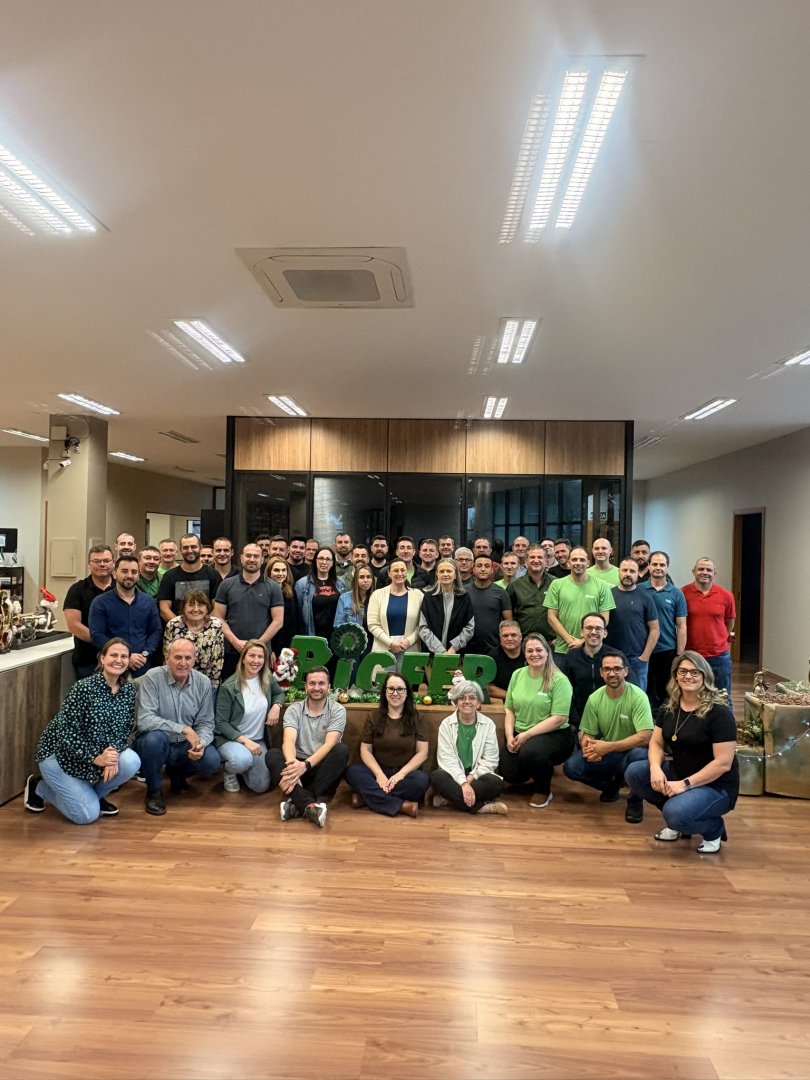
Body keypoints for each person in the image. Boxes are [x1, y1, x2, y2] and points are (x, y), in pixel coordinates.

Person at [624, 651, 739, 853]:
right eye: (683, 671)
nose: (688, 676)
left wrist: (684, 785)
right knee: (635, 773)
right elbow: (656, 742)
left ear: (704, 676)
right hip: (680, 773)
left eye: (695, 672)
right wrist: (655, 768)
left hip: (715, 786)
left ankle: (713, 829)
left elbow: (723, 763)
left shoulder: (719, 713)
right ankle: (679, 820)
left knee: (675, 813)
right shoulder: (670, 707)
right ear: (675, 675)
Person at [23, 637, 141, 823]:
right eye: (113, 655)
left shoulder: (128, 691)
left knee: (131, 761)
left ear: (128, 661)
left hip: (97, 754)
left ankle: (92, 797)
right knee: (86, 816)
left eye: (124, 656)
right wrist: (96, 758)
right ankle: (39, 787)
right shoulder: (83, 688)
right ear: (102, 658)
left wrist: (112, 755)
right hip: (61, 756)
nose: (118, 660)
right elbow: (65, 732)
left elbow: (124, 729)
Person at [563, 647, 653, 823]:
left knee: (639, 758)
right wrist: (588, 747)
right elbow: (588, 732)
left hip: (632, 751)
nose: (612, 673)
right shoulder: (595, 698)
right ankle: (612, 785)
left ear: (625, 671)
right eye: (607, 669)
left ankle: (635, 801)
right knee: (572, 767)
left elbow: (645, 736)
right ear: (601, 673)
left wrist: (608, 747)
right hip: (607, 751)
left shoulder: (638, 697)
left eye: (617, 669)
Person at [135, 638, 220, 816]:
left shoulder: (203, 682)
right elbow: (145, 720)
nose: (183, 663)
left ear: (194, 660)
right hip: (158, 741)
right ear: (167, 658)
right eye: (178, 657)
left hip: (183, 745)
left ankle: (177, 771)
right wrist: (183, 728)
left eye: (188, 658)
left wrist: (200, 744)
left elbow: (206, 722)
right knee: (153, 740)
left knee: (211, 760)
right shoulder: (153, 677)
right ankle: (154, 790)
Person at [266, 666, 350, 827]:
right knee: (272, 755)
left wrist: (305, 765)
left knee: (341, 750)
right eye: (312, 683)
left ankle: (297, 801)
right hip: (297, 771)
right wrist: (293, 768)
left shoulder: (338, 710)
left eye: (321, 683)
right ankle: (309, 805)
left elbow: (330, 744)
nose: (316, 688)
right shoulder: (294, 709)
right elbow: (289, 741)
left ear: (329, 687)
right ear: (305, 687)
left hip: (322, 771)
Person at [499, 633, 574, 809]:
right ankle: (538, 770)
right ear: (524, 654)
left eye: (539, 650)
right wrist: (510, 737)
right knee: (509, 773)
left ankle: (543, 789)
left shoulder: (559, 680)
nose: (534, 654)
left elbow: (559, 718)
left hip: (555, 734)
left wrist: (526, 735)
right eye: (530, 651)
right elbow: (509, 709)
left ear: (547, 652)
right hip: (521, 732)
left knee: (531, 752)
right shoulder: (518, 674)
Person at [345, 672, 430, 817]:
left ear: (407, 693)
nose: (395, 693)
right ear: (385, 692)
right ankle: (402, 806)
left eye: (400, 689)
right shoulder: (374, 716)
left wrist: (400, 775)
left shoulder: (418, 718)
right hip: (377, 772)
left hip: (405, 775)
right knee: (352, 772)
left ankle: (366, 798)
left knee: (421, 781)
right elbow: (365, 750)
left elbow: (422, 753)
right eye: (391, 689)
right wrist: (379, 775)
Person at [214, 640, 284, 793]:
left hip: (257, 740)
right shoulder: (228, 687)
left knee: (260, 786)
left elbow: (279, 693)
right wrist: (246, 742)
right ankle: (230, 771)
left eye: (260, 657)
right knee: (241, 760)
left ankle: (244, 766)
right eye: (252, 655)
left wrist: (276, 706)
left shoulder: (266, 678)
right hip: (231, 739)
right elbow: (221, 723)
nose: (256, 661)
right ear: (243, 658)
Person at [430, 679, 506, 815]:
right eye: (462, 698)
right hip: (453, 775)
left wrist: (469, 780)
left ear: (478, 703)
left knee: (496, 784)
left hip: (477, 776)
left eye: (472, 698)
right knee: (436, 777)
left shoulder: (488, 725)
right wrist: (462, 783)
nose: (467, 701)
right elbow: (447, 760)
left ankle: (450, 799)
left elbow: (490, 760)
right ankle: (481, 807)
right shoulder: (446, 725)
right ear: (456, 702)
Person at [213, 542, 284, 680]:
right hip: (232, 651)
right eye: (248, 555)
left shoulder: (273, 587)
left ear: (262, 559)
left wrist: (256, 646)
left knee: (261, 690)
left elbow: (278, 621)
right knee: (231, 690)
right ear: (241, 558)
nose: (252, 559)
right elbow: (218, 618)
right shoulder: (226, 585)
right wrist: (235, 642)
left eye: (256, 556)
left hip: (261, 654)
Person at [88, 555, 162, 677]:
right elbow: (97, 635)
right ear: (114, 574)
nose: (129, 575)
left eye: (134, 572)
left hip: (142, 666)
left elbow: (155, 631)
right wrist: (126, 656)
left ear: (138, 576)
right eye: (124, 571)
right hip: (112, 667)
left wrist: (145, 653)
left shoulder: (148, 602)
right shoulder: (100, 602)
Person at [681, 557, 736, 704]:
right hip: (691, 655)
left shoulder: (726, 595)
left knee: (722, 696)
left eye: (708, 570)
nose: (704, 572)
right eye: (701, 569)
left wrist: (720, 639)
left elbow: (730, 622)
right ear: (693, 571)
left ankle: (724, 720)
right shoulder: (682, 593)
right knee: (691, 696)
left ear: (714, 573)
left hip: (719, 656)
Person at [544, 547, 615, 654]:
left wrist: (583, 642)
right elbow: (551, 617)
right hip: (563, 649)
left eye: (582, 560)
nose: (578, 563)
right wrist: (570, 641)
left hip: (592, 649)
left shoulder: (602, 585)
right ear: (569, 563)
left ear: (588, 563)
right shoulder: (556, 584)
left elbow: (604, 619)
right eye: (574, 559)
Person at [640, 550, 687, 710]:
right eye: (654, 564)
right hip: (642, 649)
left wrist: (679, 654)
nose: (658, 567)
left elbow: (681, 626)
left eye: (662, 564)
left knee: (665, 693)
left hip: (667, 650)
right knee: (644, 692)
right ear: (648, 566)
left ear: (667, 567)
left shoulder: (676, 593)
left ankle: (663, 722)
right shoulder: (639, 590)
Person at [605, 559, 659, 690]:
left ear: (637, 574)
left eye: (632, 571)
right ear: (619, 572)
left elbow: (655, 629)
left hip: (637, 659)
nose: (628, 574)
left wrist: (645, 657)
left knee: (638, 696)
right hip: (611, 657)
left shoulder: (646, 597)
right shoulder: (608, 595)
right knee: (612, 694)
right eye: (624, 570)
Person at [63, 545, 114, 679]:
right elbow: (74, 626)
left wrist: (117, 650)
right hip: (87, 660)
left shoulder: (122, 588)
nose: (102, 564)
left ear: (113, 563)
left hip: (119, 659)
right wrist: (108, 645)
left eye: (106, 560)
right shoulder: (77, 590)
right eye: (97, 561)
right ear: (89, 564)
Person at [367, 558, 424, 671]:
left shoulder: (418, 595)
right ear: (389, 573)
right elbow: (373, 624)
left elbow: (422, 625)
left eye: (403, 570)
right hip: (384, 649)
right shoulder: (377, 595)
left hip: (409, 648)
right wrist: (391, 643)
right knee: (384, 682)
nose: (400, 573)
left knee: (407, 681)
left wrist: (409, 641)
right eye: (396, 570)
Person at [163, 589, 225, 688]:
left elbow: (218, 660)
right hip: (178, 680)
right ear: (184, 608)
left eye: (200, 605)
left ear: (207, 608)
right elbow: (167, 656)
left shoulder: (216, 625)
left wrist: (209, 685)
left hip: (207, 682)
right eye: (191, 605)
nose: (196, 609)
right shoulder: (173, 625)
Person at [558, 613, 608, 728]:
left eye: (598, 628)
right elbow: (565, 692)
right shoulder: (571, 657)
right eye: (589, 628)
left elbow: (630, 688)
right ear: (581, 632)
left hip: (610, 720)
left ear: (605, 633)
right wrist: (575, 722)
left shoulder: (615, 657)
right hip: (580, 721)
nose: (593, 632)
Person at [157, 533, 220, 622]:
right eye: (185, 547)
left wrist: (204, 626)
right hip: (178, 628)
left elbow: (217, 607)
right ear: (180, 550)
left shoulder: (213, 574)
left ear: (200, 548)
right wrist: (182, 627)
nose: (190, 550)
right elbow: (164, 609)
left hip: (207, 627)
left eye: (193, 547)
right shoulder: (169, 576)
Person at [419, 559, 474, 657]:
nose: (445, 574)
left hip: (456, 653)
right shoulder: (428, 597)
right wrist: (439, 650)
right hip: (432, 653)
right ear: (437, 574)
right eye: (441, 571)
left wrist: (454, 647)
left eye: (449, 571)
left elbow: (469, 627)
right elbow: (423, 627)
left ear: (455, 574)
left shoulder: (464, 597)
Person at [295, 546, 347, 637]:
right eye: (321, 558)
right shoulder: (302, 584)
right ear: (315, 561)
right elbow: (297, 614)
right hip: (312, 634)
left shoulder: (340, 583)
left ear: (332, 563)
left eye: (328, 559)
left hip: (336, 635)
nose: (324, 562)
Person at [465, 554, 512, 654]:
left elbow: (508, 623)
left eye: (486, 566)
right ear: (473, 569)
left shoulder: (501, 593)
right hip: (466, 647)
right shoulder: (464, 592)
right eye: (479, 566)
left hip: (494, 648)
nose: (483, 569)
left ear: (492, 570)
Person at [507, 543, 553, 641]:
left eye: (540, 557)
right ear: (526, 561)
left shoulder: (556, 584)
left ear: (546, 561)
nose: (536, 560)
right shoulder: (515, 586)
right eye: (532, 557)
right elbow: (509, 617)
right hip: (523, 642)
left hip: (551, 642)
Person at [266, 555, 303, 654]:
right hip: (271, 645)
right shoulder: (264, 592)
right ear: (269, 572)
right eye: (276, 570)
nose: (280, 574)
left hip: (289, 645)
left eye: (283, 570)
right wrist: (270, 649)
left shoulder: (291, 591)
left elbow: (296, 620)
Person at [486, 619, 525, 701]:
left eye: (513, 635)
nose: (509, 638)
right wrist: (513, 697)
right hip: (503, 700)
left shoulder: (530, 653)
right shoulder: (491, 658)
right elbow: (489, 688)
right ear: (500, 638)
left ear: (520, 637)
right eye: (505, 636)